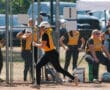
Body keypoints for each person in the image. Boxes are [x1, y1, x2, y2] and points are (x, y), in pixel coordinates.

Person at [32, 21, 78, 89]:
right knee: (38, 66)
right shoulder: (46, 33)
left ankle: (74, 78)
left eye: (41, 27)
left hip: (51, 53)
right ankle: (38, 84)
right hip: (49, 53)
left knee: (58, 69)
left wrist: (35, 44)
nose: (40, 28)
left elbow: (43, 45)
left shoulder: (45, 34)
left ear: (45, 27)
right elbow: (44, 43)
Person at [16, 18, 37, 82]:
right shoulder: (25, 30)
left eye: (32, 22)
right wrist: (23, 36)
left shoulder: (35, 30)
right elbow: (18, 35)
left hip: (31, 50)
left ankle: (27, 78)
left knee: (28, 65)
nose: (31, 23)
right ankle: (30, 78)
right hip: (25, 51)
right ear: (28, 23)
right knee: (29, 64)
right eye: (30, 22)